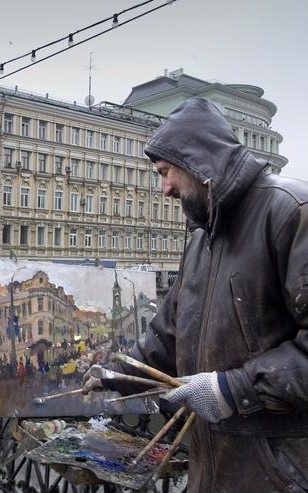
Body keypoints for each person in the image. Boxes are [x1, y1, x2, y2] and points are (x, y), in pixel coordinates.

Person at [82, 98, 308, 492]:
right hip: (215, 463)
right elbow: (168, 333)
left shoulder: (290, 211)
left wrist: (231, 389)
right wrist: (118, 375)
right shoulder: (202, 238)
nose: (164, 188)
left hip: (277, 471)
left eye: (167, 172)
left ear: (200, 163)